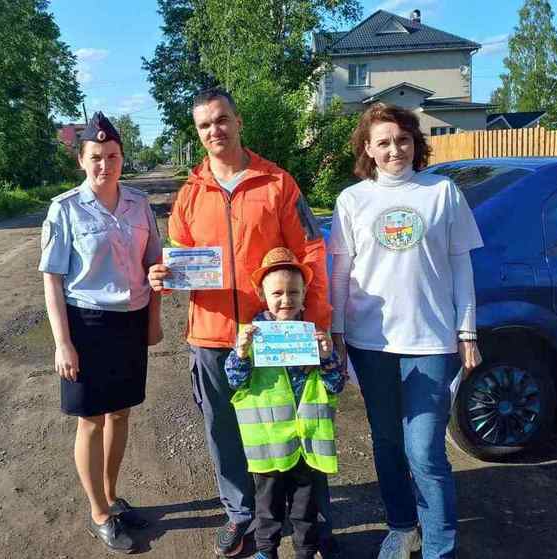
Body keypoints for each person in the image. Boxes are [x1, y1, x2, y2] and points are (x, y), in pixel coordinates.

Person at [148, 88, 334, 557]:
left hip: (276, 335)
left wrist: (316, 321)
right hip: (211, 334)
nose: (216, 130)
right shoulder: (189, 194)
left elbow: (311, 251)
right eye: (205, 125)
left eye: (222, 119)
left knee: (291, 421)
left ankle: (306, 519)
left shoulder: (277, 183)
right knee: (223, 430)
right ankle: (241, 515)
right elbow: (181, 260)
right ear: (197, 133)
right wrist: (165, 277)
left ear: (238, 120)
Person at [328, 103, 483, 559]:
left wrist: (467, 330)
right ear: (368, 150)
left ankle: (438, 547)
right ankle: (402, 526)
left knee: (426, 451)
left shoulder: (442, 193)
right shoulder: (352, 200)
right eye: (383, 142)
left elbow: (461, 264)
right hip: (369, 341)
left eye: (402, 139)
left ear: (415, 143)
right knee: (387, 441)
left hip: (432, 341)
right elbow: (340, 272)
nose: (394, 149)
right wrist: (336, 332)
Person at [39, 112, 163, 554]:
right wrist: (62, 342)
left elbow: (154, 266)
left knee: (122, 414)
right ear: (82, 159)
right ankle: (98, 513)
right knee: (91, 420)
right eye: (96, 157)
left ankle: (112, 496)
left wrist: (153, 317)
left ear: (122, 158)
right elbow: (52, 279)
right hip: (87, 324)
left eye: (112, 156)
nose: (104, 164)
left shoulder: (139, 204)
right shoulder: (65, 208)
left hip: (129, 321)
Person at [224, 247, 345, 559]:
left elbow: (335, 385)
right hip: (269, 448)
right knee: (268, 509)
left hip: (308, 447)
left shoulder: (314, 337)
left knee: (306, 510)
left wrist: (327, 357)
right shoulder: (249, 337)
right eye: (277, 292)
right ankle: (266, 552)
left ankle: (305, 552)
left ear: (304, 294)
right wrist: (241, 353)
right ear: (263, 295)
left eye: (293, 292)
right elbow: (235, 381)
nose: (286, 300)